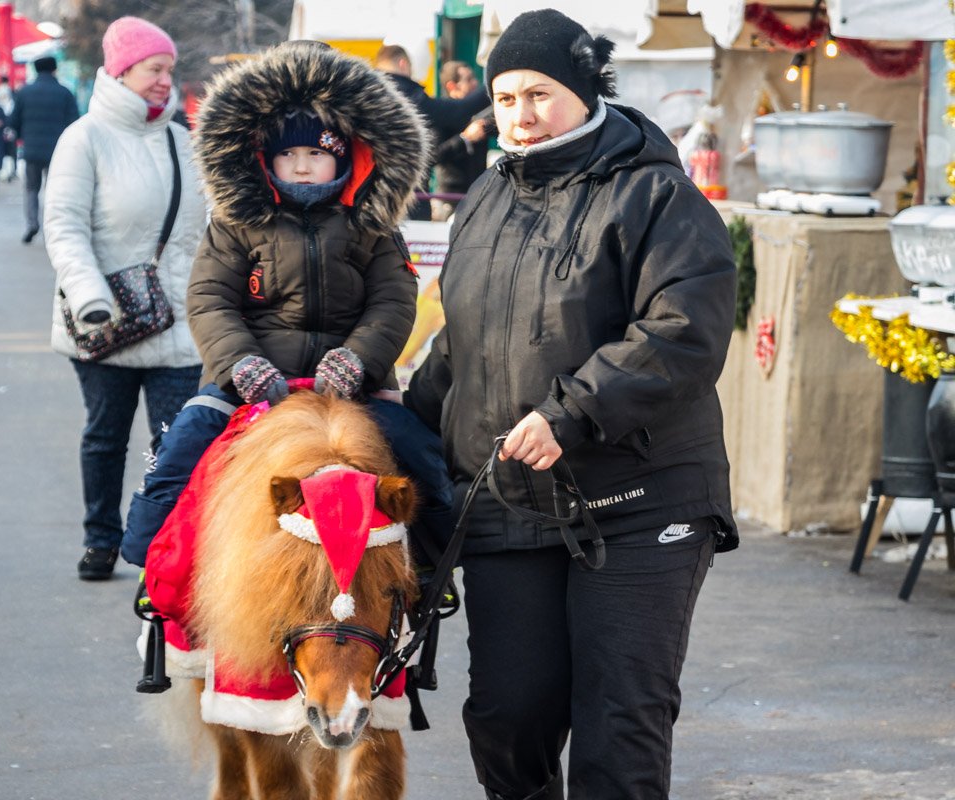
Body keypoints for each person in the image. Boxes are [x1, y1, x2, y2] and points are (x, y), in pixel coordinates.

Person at [395, 9, 738, 800]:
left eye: (540, 93)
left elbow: (684, 329)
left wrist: (570, 412)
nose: (521, 114)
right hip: (510, 504)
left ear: (584, 90)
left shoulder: (655, 194)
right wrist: (396, 427)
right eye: (506, 96)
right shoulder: (485, 195)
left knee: (620, 724)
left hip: (640, 500)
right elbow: (463, 340)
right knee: (508, 717)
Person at [118, 41, 452, 584]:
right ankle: (151, 564)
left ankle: (436, 568)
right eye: (288, 156)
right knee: (182, 448)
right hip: (254, 379)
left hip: (352, 383)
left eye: (316, 154)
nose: (301, 166)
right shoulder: (237, 220)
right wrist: (241, 366)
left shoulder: (373, 223)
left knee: (421, 454)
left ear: (343, 156)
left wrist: (358, 359)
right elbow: (209, 299)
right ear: (265, 159)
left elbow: (393, 300)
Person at [44, 17, 206, 581]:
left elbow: (210, 232)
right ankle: (101, 538)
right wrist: (90, 295)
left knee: (176, 444)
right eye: (154, 69)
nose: (166, 80)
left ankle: (164, 545)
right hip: (105, 322)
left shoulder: (185, 141)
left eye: (169, 69)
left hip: (180, 327)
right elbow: (64, 226)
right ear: (120, 71)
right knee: (106, 438)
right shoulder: (84, 138)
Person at [373, 44, 488, 220]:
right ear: (404, 64)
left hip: (372, 200)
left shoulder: (367, 93)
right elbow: (459, 113)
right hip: (405, 202)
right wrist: (496, 78)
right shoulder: (404, 94)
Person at [10, 55, 79, 244]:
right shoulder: (64, 93)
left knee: (31, 188)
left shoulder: (25, 92)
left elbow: (14, 120)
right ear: (54, 70)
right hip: (58, 151)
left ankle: (32, 223)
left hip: (31, 149)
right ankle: (52, 227)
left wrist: (19, 135)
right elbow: (74, 122)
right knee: (54, 190)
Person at [431, 60, 492, 220]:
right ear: (452, 86)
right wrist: (465, 138)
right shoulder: (440, 115)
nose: (475, 83)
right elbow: (433, 155)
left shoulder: (480, 113)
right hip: (452, 199)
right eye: (469, 79)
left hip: (479, 194)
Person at [0, 74, 18, 181]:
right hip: (6, 130)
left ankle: (9, 171)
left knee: (9, 151)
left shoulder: (6, 101)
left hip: (7, 130)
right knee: (9, 152)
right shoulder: (11, 100)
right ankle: (9, 171)